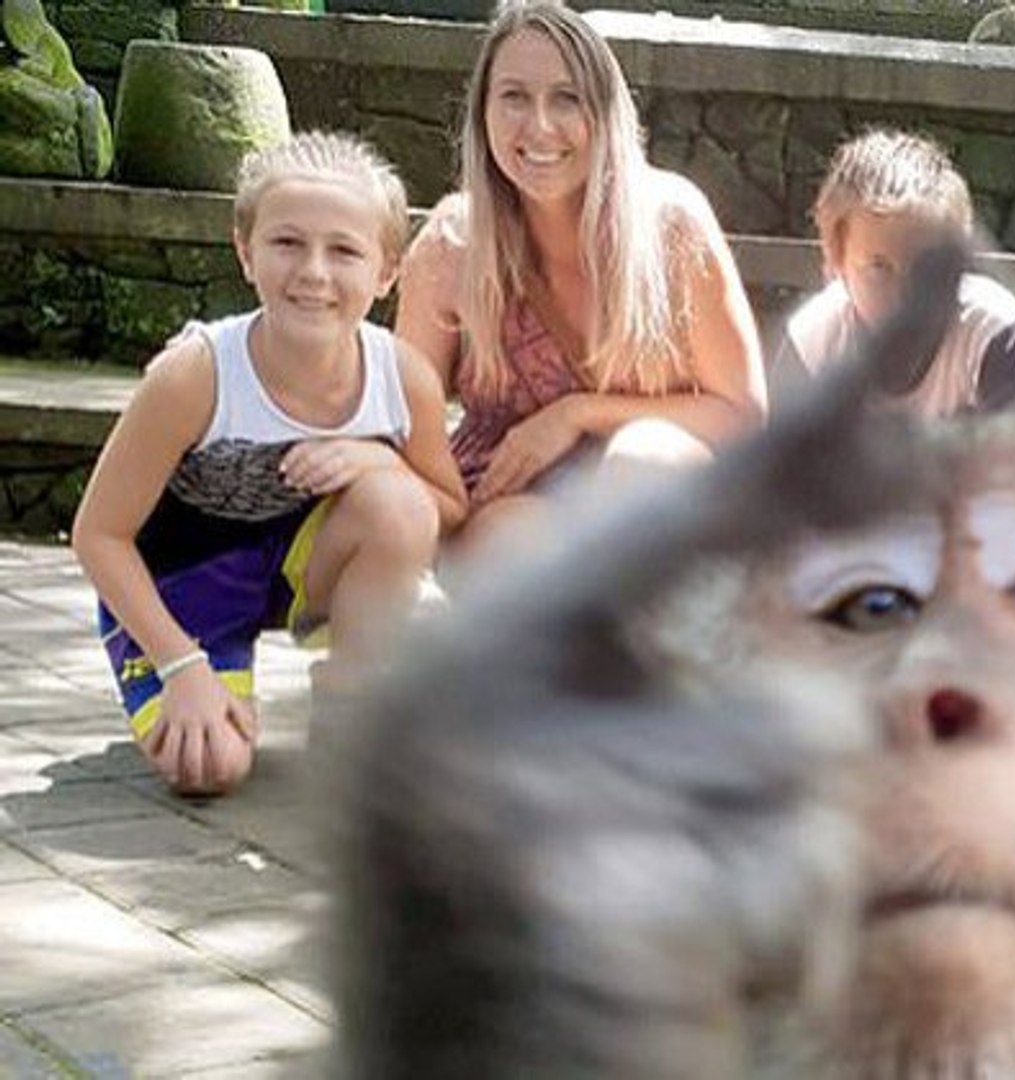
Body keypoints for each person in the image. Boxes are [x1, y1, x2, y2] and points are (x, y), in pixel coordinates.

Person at [71, 131, 467, 797]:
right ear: (244, 251)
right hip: (184, 591)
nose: (313, 271)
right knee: (209, 768)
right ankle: (208, 678)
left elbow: (446, 508)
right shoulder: (194, 376)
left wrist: (378, 460)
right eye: (287, 243)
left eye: (344, 250)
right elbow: (97, 535)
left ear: (387, 271)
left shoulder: (402, 378)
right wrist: (180, 667)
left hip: (298, 573)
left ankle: (352, 702)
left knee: (398, 504)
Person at [396, 0, 765, 545]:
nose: (540, 126)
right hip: (511, 503)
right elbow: (407, 425)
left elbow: (743, 416)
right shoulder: (452, 245)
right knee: (518, 548)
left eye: (566, 99)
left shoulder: (671, 224)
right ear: (483, 112)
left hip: (657, 493)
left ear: (605, 111)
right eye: (515, 97)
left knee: (646, 459)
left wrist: (577, 414)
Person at [767, 128, 1015, 417]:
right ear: (836, 264)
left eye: (925, 269)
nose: (905, 298)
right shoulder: (812, 342)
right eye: (878, 269)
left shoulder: (992, 332)